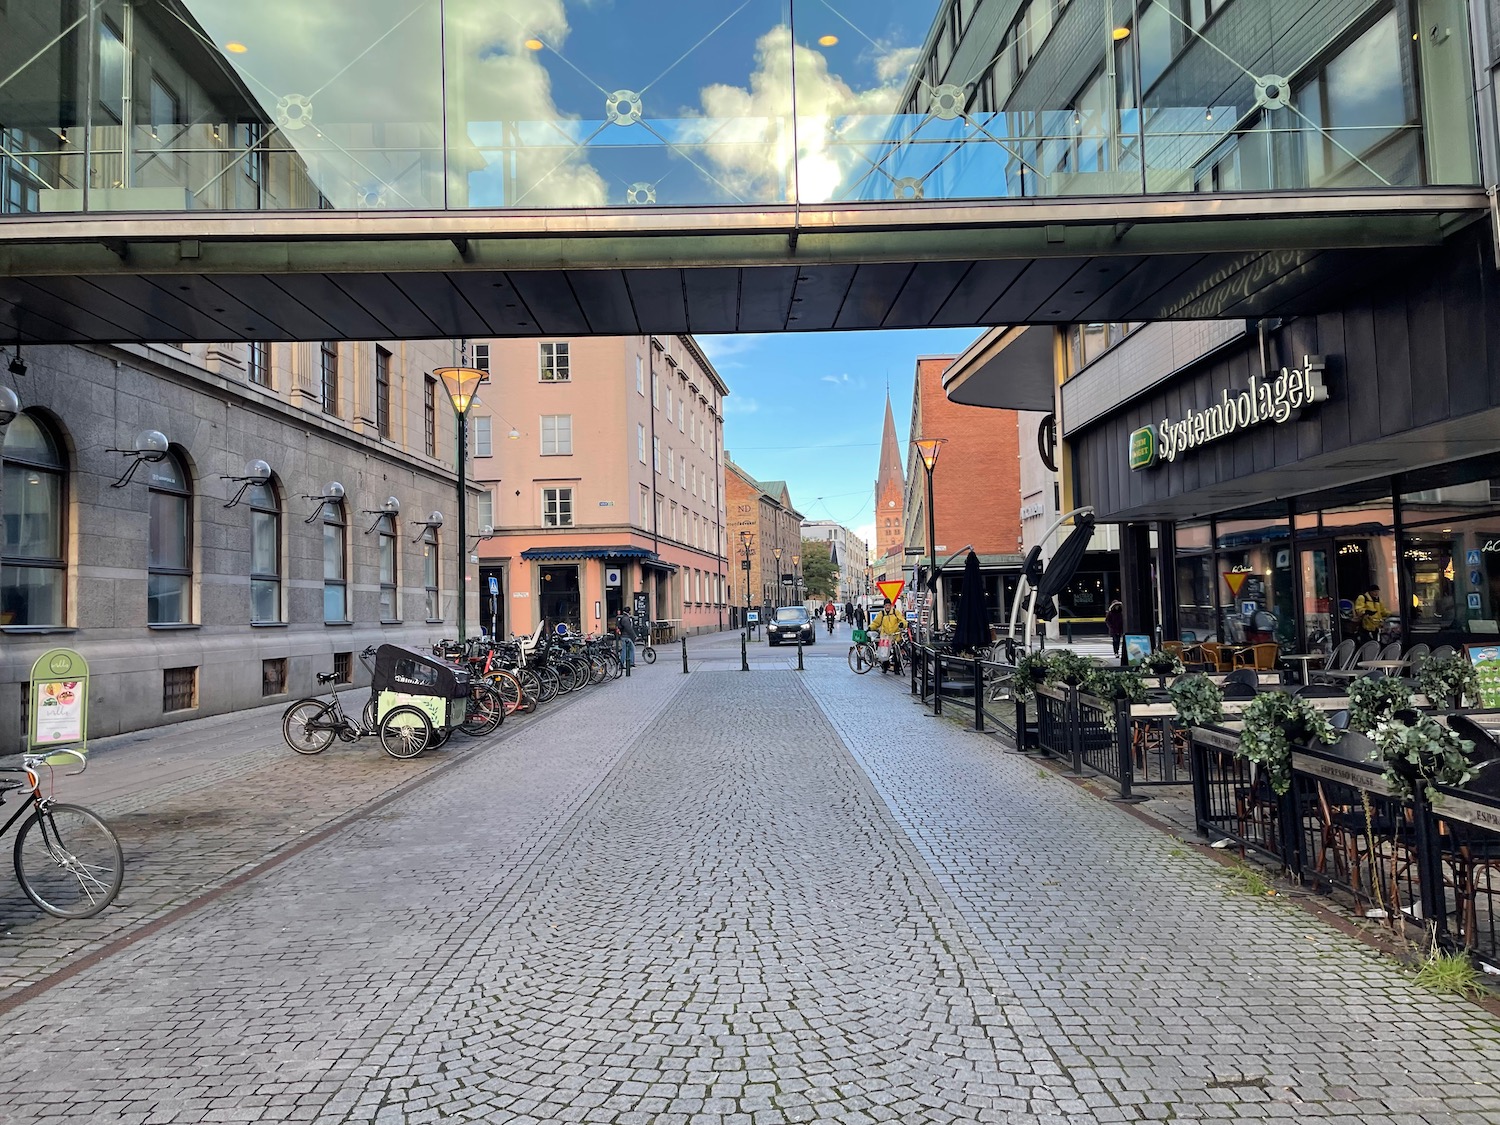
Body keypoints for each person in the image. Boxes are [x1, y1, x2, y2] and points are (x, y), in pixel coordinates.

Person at [870, 598, 905, 674]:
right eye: (886, 605)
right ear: (884, 606)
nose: (887, 607)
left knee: (896, 653)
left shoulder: (896, 612)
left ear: (891, 605)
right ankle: (885, 667)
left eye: (889, 605)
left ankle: (897, 669)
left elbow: (902, 620)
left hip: (895, 636)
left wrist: (903, 624)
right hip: (885, 636)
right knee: (885, 653)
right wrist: (871, 627)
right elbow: (876, 623)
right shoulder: (881, 614)